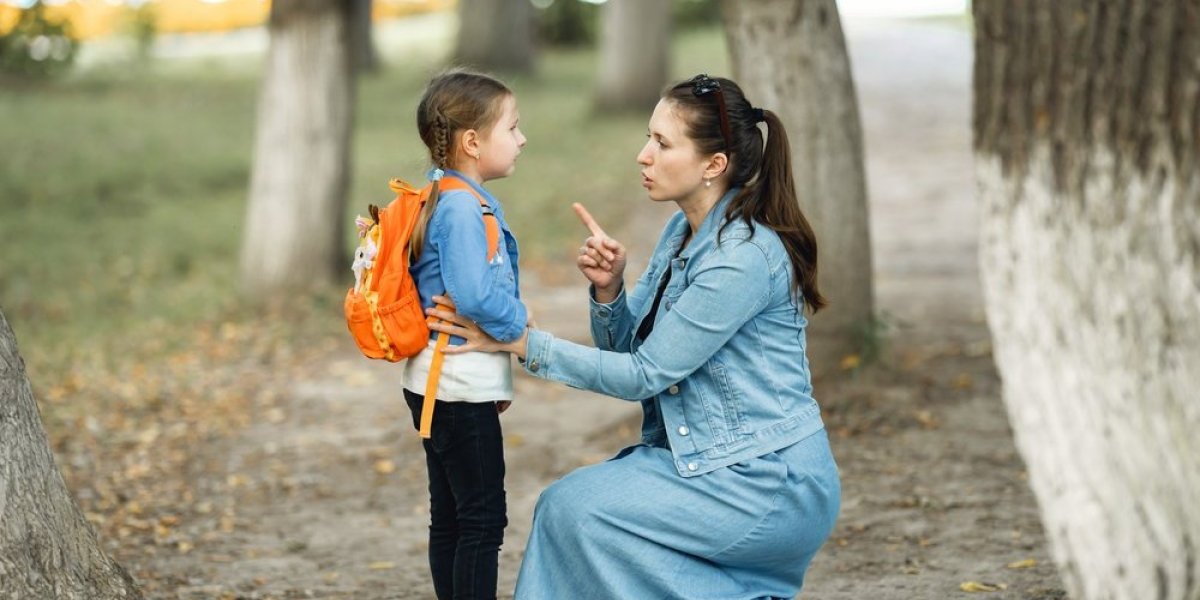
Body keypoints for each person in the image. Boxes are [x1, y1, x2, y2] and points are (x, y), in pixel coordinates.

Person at [427, 74, 841, 599]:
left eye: (662, 143)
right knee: (579, 516)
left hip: (764, 482)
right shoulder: (682, 231)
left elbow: (645, 375)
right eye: (648, 137)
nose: (643, 155)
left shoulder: (742, 258)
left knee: (574, 509)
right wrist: (610, 291)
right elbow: (631, 351)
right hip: (710, 463)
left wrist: (521, 344)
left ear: (714, 165)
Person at [403, 69, 528, 600]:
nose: (522, 139)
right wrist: (522, 325)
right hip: (456, 383)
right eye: (513, 127)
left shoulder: (441, 192)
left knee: (451, 516)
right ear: (473, 142)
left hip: (438, 381)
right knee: (480, 521)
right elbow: (475, 295)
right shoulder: (459, 206)